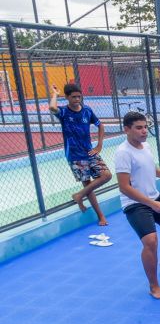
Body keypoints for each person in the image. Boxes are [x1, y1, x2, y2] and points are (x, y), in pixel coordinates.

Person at [115, 111, 160, 299]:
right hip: (135, 203)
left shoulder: (145, 146)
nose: (144, 131)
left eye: (145, 127)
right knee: (150, 241)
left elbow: (149, 168)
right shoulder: (123, 153)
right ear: (126, 129)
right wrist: (151, 204)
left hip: (153, 197)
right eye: (139, 128)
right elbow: (124, 187)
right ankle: (154, 286)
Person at [48, 83, 112, 225]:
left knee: (106, 175)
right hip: (75, 155)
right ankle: (101, 216)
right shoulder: (64, 113)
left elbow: (100, 125)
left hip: (90, 151)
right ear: (67, 97)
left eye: (79, 96)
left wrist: (99, 145)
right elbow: (52, 107)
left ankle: (79, 195)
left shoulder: (87, 110)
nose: (77, 99)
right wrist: (54, 94)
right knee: (87, 184)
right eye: (73, 97)